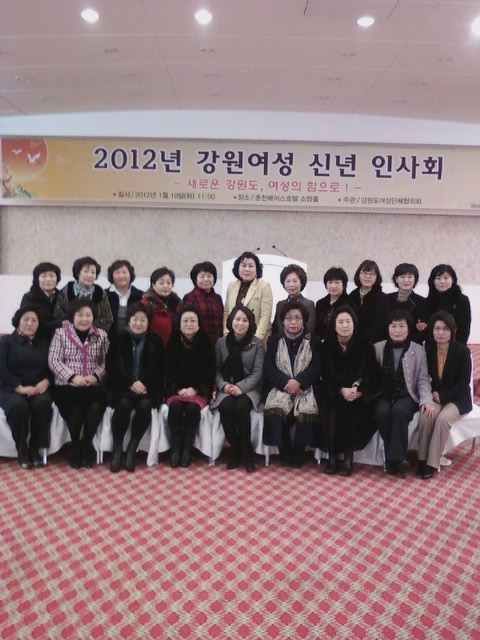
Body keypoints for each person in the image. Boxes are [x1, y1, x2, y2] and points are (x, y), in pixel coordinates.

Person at [373, 309, 435, 477]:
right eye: (393, 326)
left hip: (407, 395)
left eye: (402, 326)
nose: (397, 330)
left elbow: (423, 379)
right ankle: (398, 460)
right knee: (382, 412)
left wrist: (426, 399)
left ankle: (393, 460)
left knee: (399, 411)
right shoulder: (377, 348)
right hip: (383, 394)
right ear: (388, 328)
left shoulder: (418, 350)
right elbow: (369, 375)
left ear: (409, 328)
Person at [49, 299, 109, 469]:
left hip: (92, 385)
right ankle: (75, 445)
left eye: (88, 315)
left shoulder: (101, 335)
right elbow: (54, 361)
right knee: (75, 407)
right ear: (72, 316)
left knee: (95, 405)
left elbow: (106, 362)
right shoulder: (60, 333)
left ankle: (87, 444)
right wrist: (73, 377)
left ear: (93, 317)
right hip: (67, 385)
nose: (84, 319)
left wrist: (95, 377)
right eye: (80, 315)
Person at [321, 306, 380, 476]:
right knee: (330, 408)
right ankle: (332, 456)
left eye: (348, 321)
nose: (345, 325)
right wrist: (340, 390)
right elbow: (325, 376)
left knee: (350, 409)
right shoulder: (326, 346)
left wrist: (359, 392)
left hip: (357, 394)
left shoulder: (365, 345)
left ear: (354, 324)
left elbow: (373, 375)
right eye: (340, 322)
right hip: (334, 391)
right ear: (334, 325)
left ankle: (348, 456)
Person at [107, 303, 164, 473]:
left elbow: (159, 368)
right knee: (124, 404)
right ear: (128, 320)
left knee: (145, 405)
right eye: (135, 319)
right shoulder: (118, 338)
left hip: (147, 388)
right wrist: (130, 384)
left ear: (148, 322)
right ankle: (118, 447)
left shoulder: (156, 341)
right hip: (123, 386)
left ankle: (133, 447)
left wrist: (144, 383)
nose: (138, 323)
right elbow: (113, 366)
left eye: (143, 320)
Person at [263, 300, 321, 468]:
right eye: (289, 318)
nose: (293, 322)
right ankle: (285, 448)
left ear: (304, 320)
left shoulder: (314, 341)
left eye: (297, 318)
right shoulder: (274, 340)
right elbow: (269, 367)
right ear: (283, 321)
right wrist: (286, 382)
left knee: (305, 412)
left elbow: (317, 367)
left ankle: (299, 451)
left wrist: (299, 382)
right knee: (275, 411)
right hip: (281, 386)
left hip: (306, 387)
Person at [417, 311, 472, 479]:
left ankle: (432, 463)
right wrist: (433, 394)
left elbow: (464, 383)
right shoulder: (428, 349)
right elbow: (425, 377)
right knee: (426, 415)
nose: (441, 333)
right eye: (437, 328)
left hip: (458, 398)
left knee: (442, 419)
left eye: (445, 329)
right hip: (437, 395)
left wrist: (443, 396)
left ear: (452, 331)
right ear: (432, 331)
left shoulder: (462, 351)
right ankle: (422, 459)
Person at [211, 306, 264, 472]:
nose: (240, 323)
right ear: (231, 321)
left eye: (245, 320)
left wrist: (240, 387)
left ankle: (247, 451)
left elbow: (257, 373)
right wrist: (225, 386)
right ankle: (235, 451)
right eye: (237, 319)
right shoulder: (221, 343)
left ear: (250, 323)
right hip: (226, 387)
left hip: (249, 388)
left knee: (241, 407)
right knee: (226, 408)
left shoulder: (257, 343)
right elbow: (216, 370)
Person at [0, 307, 53, 468]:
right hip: (10, 388)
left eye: (34, 320)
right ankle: (22, 449)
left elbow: (51, 369)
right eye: (26, 319)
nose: (30, 323)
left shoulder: (44, 344)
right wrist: (20, 388)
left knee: (43, 403)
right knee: (18, 405)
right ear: (18, 321)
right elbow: (1, 370)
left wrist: (46, 382)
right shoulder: (6, 342)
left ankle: (35, 449)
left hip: (37, 388)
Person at [165, 306, 215, 468]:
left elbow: (209, 371)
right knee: (176, 408)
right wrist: (178, 388)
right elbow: (168, 368)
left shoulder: (206, 342)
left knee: (193, 409)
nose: (189, 324)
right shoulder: (173, 340)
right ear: (179, 323)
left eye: (193, 321)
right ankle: (175, 449)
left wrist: (196, 389)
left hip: (197, 391)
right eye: (185, 320)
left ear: (199, 324)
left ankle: (187, 450)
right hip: (176, 389)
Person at [223, 251, 273, 342]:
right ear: (237, 268)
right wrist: (226, 332)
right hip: (234, 336)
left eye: (251, 266)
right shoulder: (231, 286)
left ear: (257, 268)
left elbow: (265, 316)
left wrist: (257, 339)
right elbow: (227, 312)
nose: (247, 269)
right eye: (243, 265)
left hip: (257, 336)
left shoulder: (264, 286)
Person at [55, 256, 113, 333]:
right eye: (86, 271)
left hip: (94, 334)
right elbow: (58, 316)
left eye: (93, 272)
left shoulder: (100, 293)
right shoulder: (65, 291)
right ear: (78, 273)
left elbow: (107, 319)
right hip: (68, 334)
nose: (89, 275)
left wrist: (90, 327)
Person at [425, 264, 471, 345]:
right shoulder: (428, 301)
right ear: (433, 281)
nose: (442, 282)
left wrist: (459, 348)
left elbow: (464, 328)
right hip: (433, 346)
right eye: (438, 278)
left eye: (446, 278)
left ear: (453, 280)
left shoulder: (461, 300)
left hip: (455, 346)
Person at [349, 259, 390, 345]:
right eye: (364, 273)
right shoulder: (351, 296)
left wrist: (362, 340)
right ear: (358, 275)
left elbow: (380, 325)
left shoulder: (383, 298)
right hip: (352, 342)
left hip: (374, 343)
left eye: (372, 274)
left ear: (377, 277)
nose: (368, 276)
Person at [183, 261, 224, 345]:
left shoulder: (217, 298)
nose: (206, 279)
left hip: (217, 344)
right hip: (197, 345)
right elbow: (185, 323)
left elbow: (221, 321)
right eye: (202, 276)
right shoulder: (190, 297)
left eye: (209, 276)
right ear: (195, 279)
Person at [388, 263, 428, 344]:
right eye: (402, 277)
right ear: (396, 279)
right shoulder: (386, 299)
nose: (406, 280)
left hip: (413, 344)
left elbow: (423, 329)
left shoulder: (422, 301)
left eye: (410, 277)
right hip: (388, 343)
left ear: (415, 279)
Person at [20, 262, 62, 340]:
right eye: (44, 276)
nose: (48, 279)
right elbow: (32, 323)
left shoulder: (62, 296)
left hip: (58, 339)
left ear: (57, 278)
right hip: (35, 339)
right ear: (37, 279)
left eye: (52, 276)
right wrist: (60, 323)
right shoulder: (30, 297)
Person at [142, 267, 182, 346]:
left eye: (168, 283)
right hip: (155, 348)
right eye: (161, 283)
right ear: (153, 285)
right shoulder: (146, 304)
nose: (165, 286)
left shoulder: (178, 304)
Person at [272, 264, 315, 335]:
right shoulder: (280, 304)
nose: (291, 285)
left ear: (301, 283)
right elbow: (276, 329)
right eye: (288, 281)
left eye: (295, 281)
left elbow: (309, 329)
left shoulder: (308, 304)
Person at [105, 259, 143, 338]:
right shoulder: (104, 295)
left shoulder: (140, 295)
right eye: (117, 273)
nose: (121, 276)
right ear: (112, 275)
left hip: (133, 338)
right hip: (108, 338)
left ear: (130, 274)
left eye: (124, 272)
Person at [315, 267, 350, 342]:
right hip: (321, 344)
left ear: (344, 285)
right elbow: (316, 327)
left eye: (337, 282)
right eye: (330, 282)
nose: (333, 286)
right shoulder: (320, 303)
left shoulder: (350, 303)